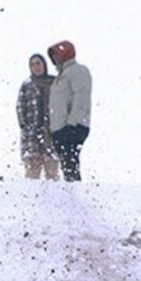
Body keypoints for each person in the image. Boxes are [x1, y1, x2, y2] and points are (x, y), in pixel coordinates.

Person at [46, 40, 92, 182]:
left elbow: (81, 98)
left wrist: (72, 123)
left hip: (73, 126)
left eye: (57, 54)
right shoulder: (61, 75)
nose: (55, 58)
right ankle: (70, 194)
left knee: (71, 162)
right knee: (66, 164)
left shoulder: (78, 71)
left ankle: (75, 193)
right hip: (60, 128)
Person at [16, 53, 60, 180]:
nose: (36, 67)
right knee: (32, 176)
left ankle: (53, 200)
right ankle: (31, 200)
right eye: (32, 64)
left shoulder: (55, 84)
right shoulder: (27, 85)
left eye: (38, 63)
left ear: (44, 65)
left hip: (51, 137)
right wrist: (26, 127)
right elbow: (20, 107)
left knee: (52, 176)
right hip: (32, 138)